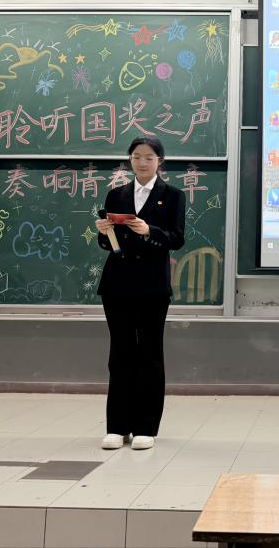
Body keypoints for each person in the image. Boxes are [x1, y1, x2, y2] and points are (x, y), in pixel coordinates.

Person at [95, 136, 186, 450]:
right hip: (117, 283)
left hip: (152, 285)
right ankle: (117, 427)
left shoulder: (172, 195)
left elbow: (177, 239)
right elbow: (107, 244)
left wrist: (150, 232)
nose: (142, 162)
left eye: (149, 157)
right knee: (120, 354)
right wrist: (104, 233)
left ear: (160, 160)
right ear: (130, 159)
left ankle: (146, 427)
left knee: (149, 353)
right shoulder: (116, 194)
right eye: (136, 156)